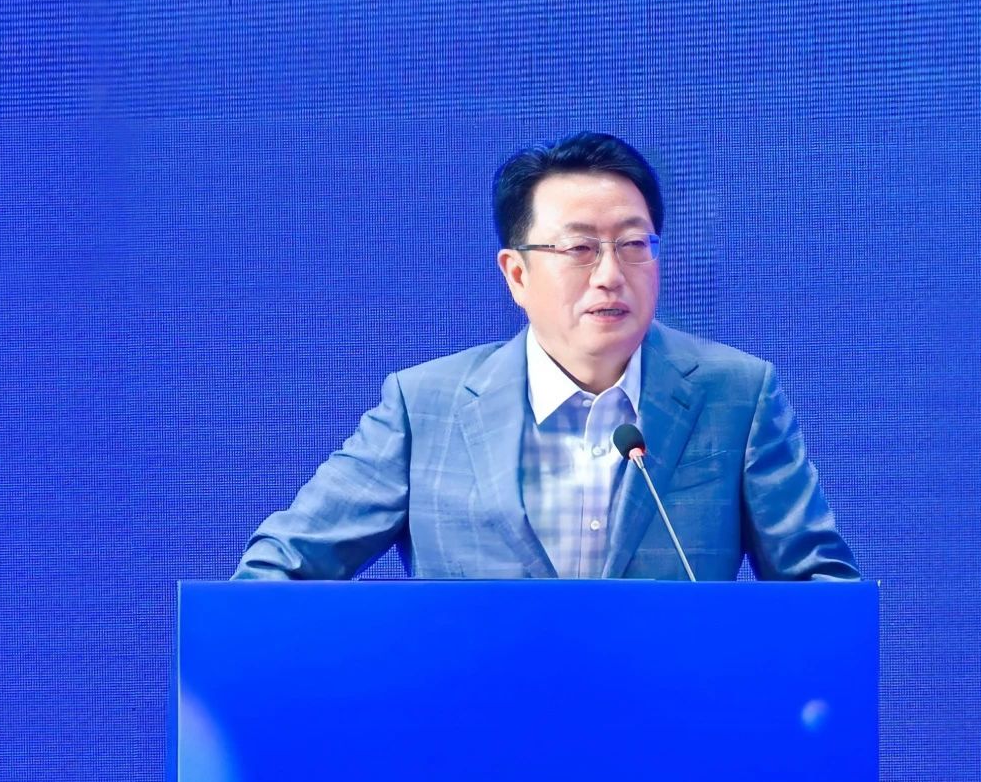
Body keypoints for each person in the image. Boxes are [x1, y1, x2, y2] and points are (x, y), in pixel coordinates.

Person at [233, 132, 858, 581]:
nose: (610, 274)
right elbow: (279, 569)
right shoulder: (425, 407)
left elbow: (821, 589)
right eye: (580, 249)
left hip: (669, 725)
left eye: (633, 245)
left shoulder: (737, 395)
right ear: (517, 274)